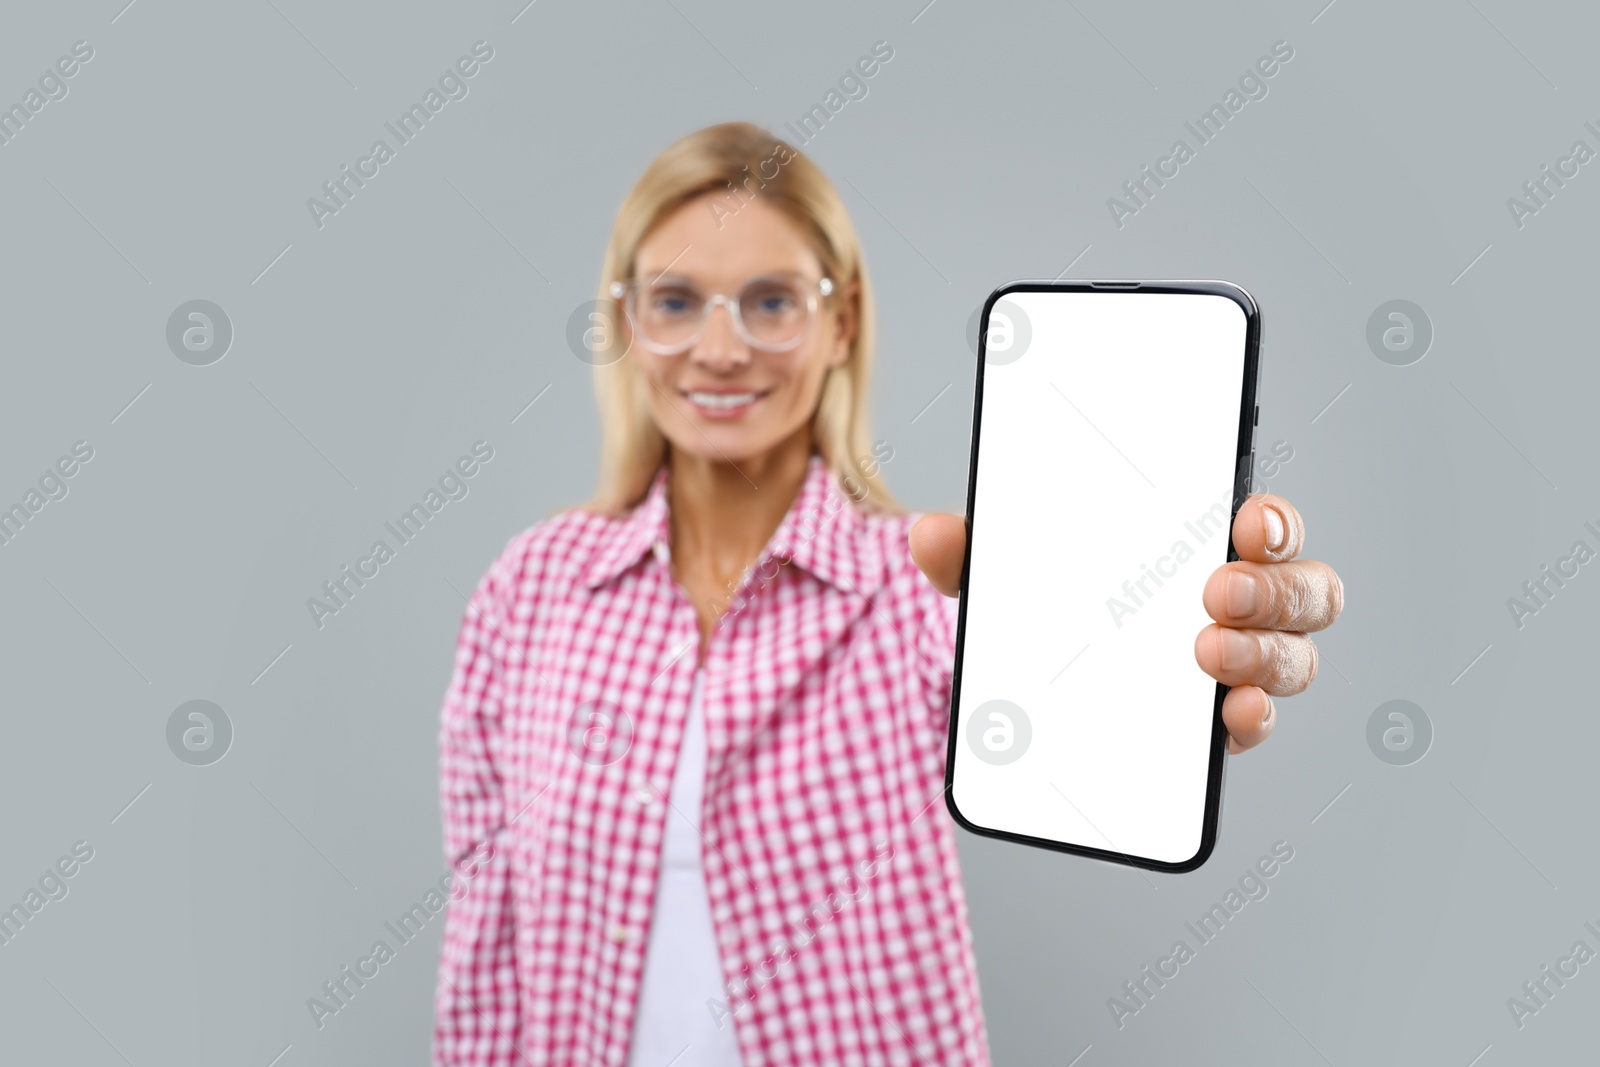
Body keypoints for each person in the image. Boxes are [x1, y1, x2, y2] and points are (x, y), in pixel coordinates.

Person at [432, 122, 1344, 1067]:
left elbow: (1081, 708)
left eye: (771, 300)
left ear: (843, 320)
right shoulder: (530, 589)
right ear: (628, 321)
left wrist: (1196, 657)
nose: (719, 347)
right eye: (674, 300)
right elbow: (485, 949)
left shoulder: (921, 590)